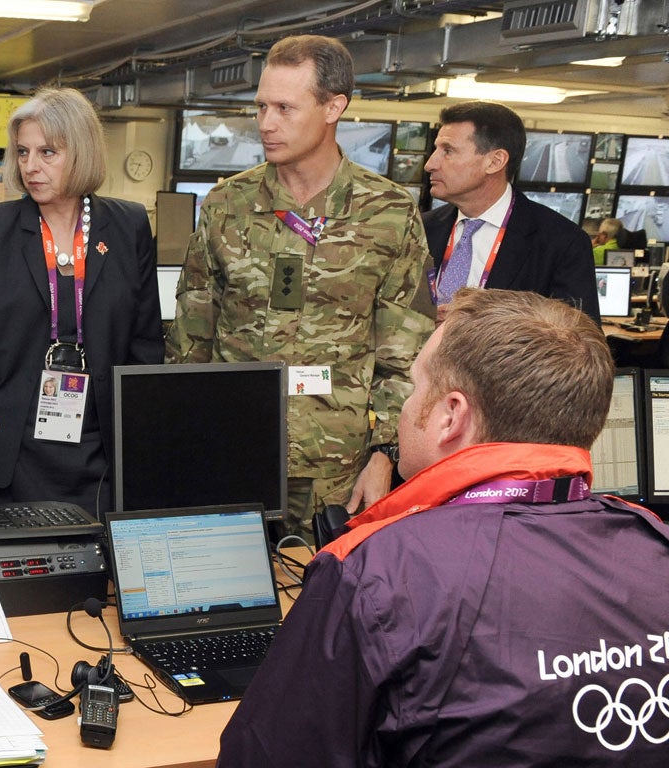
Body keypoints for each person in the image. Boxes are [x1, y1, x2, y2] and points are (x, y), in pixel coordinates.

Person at [218, 288, 669, 767]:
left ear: (450, 416)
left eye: (415, 388)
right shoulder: (654, 545)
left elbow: (261, 757)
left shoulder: (379, 575)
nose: (406, 410)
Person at [164, 35, 432, 536]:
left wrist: (385, 457)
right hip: (231, 454)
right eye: (261, 106)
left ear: (334, 107)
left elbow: (405, 355)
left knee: (327, 604)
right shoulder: (228, 203)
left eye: (285, 108)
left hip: (339, 470)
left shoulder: (388, 212)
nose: (266, 123)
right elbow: (191, 339)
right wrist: (185, 440)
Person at [0, 87, 163, 519]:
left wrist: (142, 459)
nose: (31, 166)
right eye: (23, 152)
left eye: (47, 152)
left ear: (80, 152)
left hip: (99, 456)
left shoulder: (128, 225)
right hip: (8, 452)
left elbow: (145, 349)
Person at [422, 101, 601, 325]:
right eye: (436, 150)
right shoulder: (421, 228)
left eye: (448, 151)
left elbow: (579, 341)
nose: (430, 164)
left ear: (495, 161)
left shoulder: (561, 243)